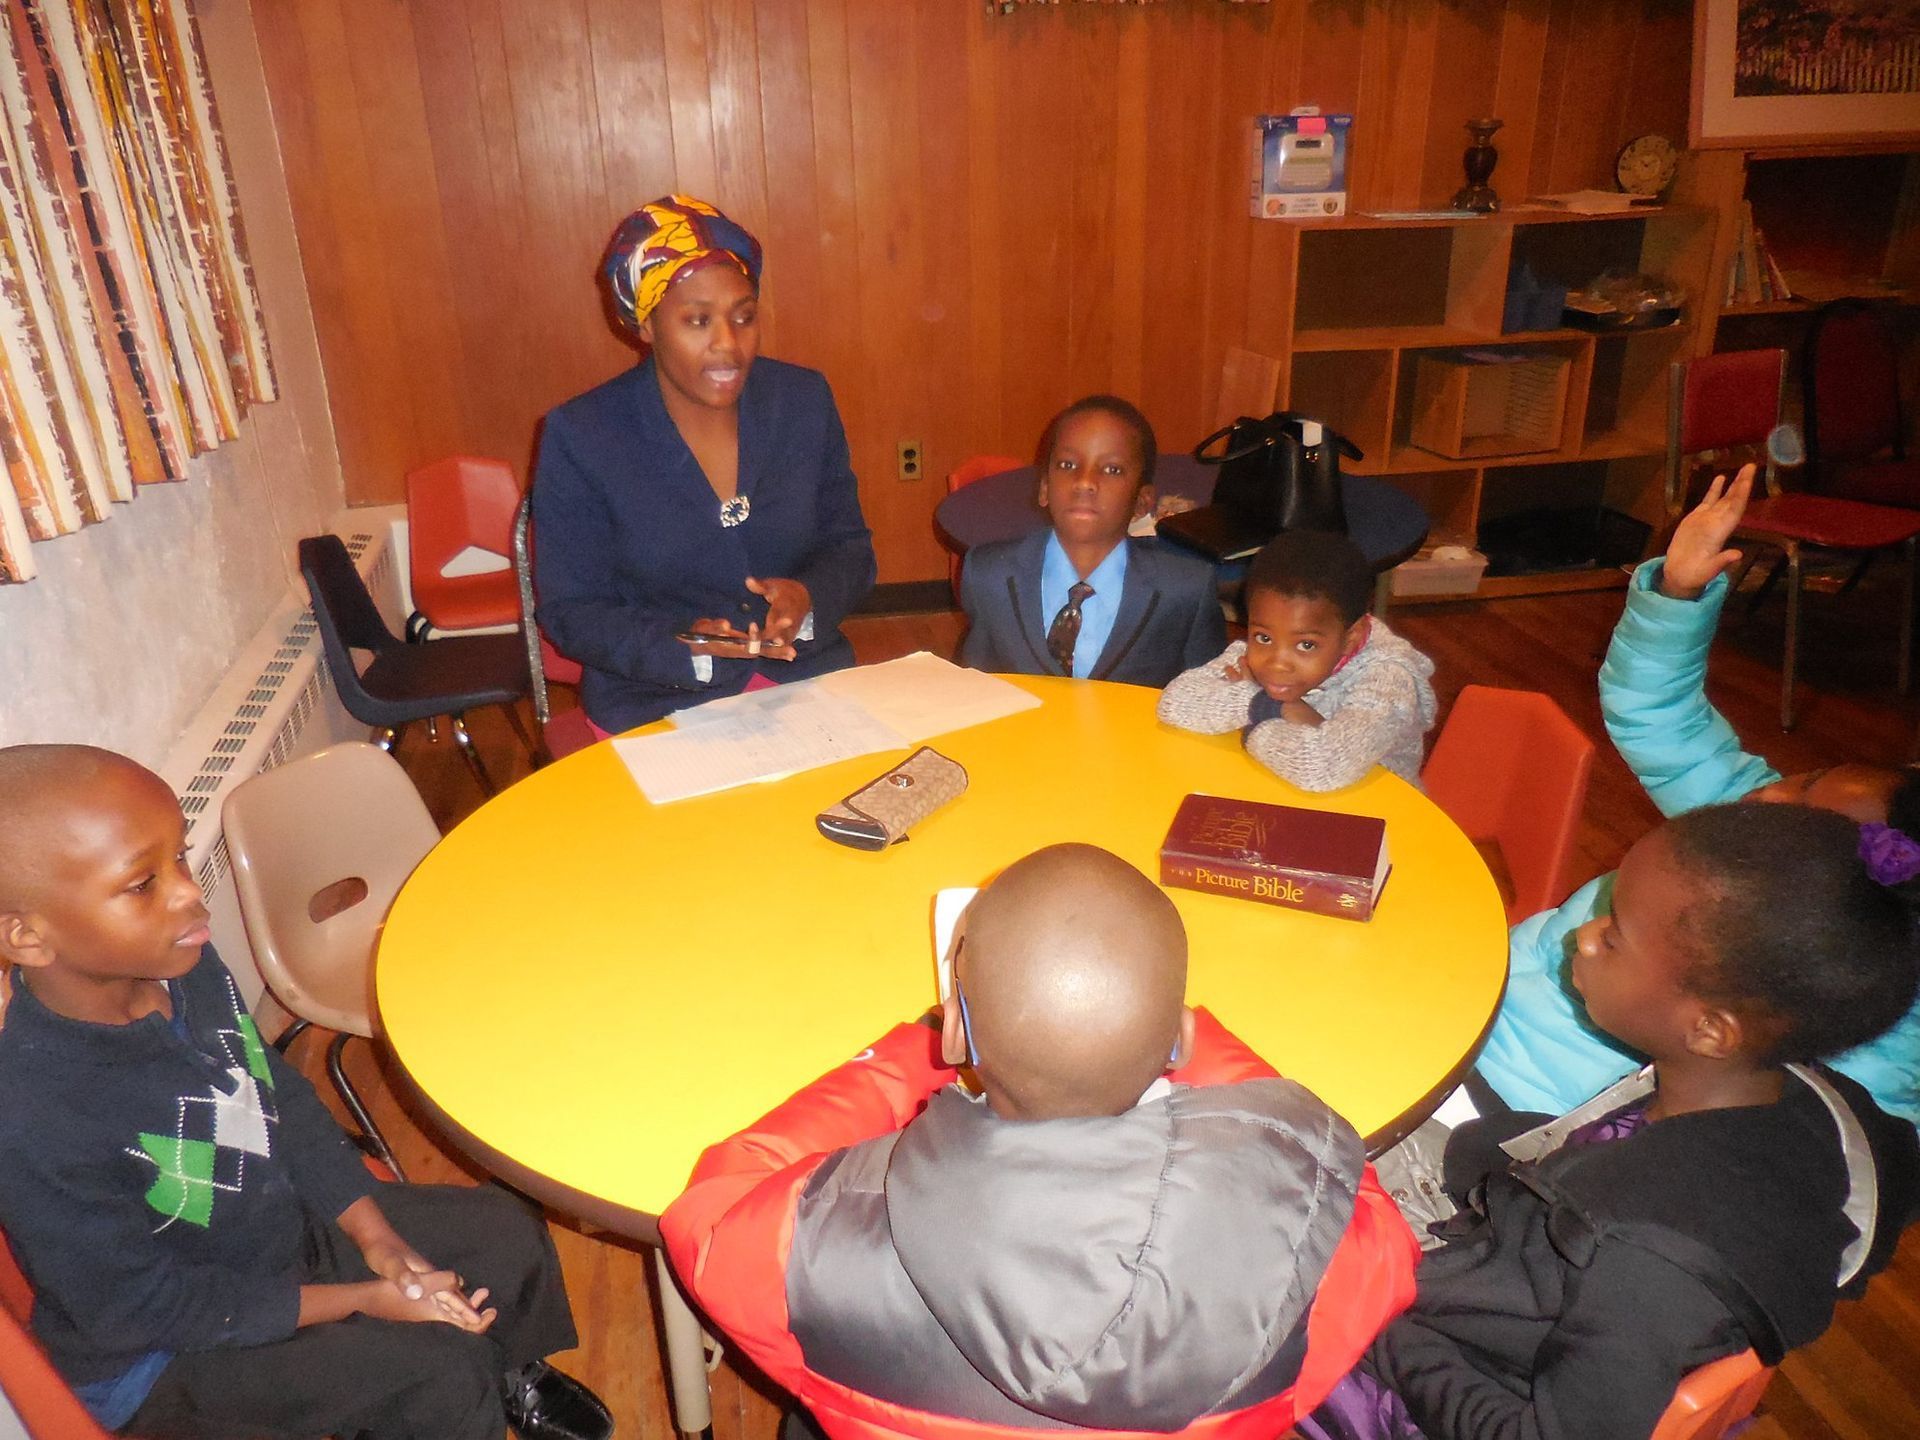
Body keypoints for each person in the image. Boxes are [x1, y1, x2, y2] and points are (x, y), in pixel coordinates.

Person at [660, 844, 1419, 1439]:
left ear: (958, 1032)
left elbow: (712, 1208)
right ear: (1179, 1042)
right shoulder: (1313, 1259)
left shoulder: (806, 1249)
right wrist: (1200, 1043)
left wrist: (897, 1065)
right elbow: (1361, 1208)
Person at [0, 744, 611, 1440]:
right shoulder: (32, 1115)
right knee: (438, 1372)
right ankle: (471, 1367)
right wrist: (365, 1297)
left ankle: (508, 1362)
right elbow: (140, 1308)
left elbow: (277, 1099)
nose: (188, 892)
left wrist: (376, 1237)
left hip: (272, 1233)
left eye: (180, 856)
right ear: (27, 937)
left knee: (502, 1232)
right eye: (142, 883)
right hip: (169, 1354)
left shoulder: (183, 965)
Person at [1304, 802, 1920, 1440]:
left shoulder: (1642, 1262)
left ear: (1710, 1029)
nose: (1585, 936)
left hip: (1417, 1375)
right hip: (1491, 1275)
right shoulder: (1780, 1091)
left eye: (1614, 933)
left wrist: (1382, 1320)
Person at [1477, 467, 1920, 1124]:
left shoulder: (1852, 1014)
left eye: (1804, 820)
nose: (1769, 802)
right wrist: (1678, 595)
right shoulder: (1743, 822)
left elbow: (1843, 1142)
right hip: (1482, 994)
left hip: (1526, 1109)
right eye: (1799, 781)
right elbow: (1656, 711)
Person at [533, 195, 876, 734]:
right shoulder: (585, 436)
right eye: (697, 321)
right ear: (644, 326)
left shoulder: (802, 402)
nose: (729, 345)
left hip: (804, 683)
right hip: (656, 702)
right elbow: (571, 610)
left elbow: (850, 549)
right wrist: (685, 644)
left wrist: (807, 598)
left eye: (744, 317)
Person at [958, 396, 1226, 686]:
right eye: (1067, 464)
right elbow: (973, 693)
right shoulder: (989, 575)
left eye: (1112, 469)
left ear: (1142, 501)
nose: (1085, 481)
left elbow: (1209, 699)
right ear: (1044, 487)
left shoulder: (1185, 591)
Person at [1158, 530, 1436, 790]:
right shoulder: (1255, 654)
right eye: (1263, 637)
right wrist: (1263, 705)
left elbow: (1320, 768)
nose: (1277, 663)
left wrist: (1254, 724)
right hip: (1283, 794)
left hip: (1378, 819)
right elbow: (1174, 703)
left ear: (1351, 638)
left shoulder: (1389, 681)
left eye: (1306, 645)